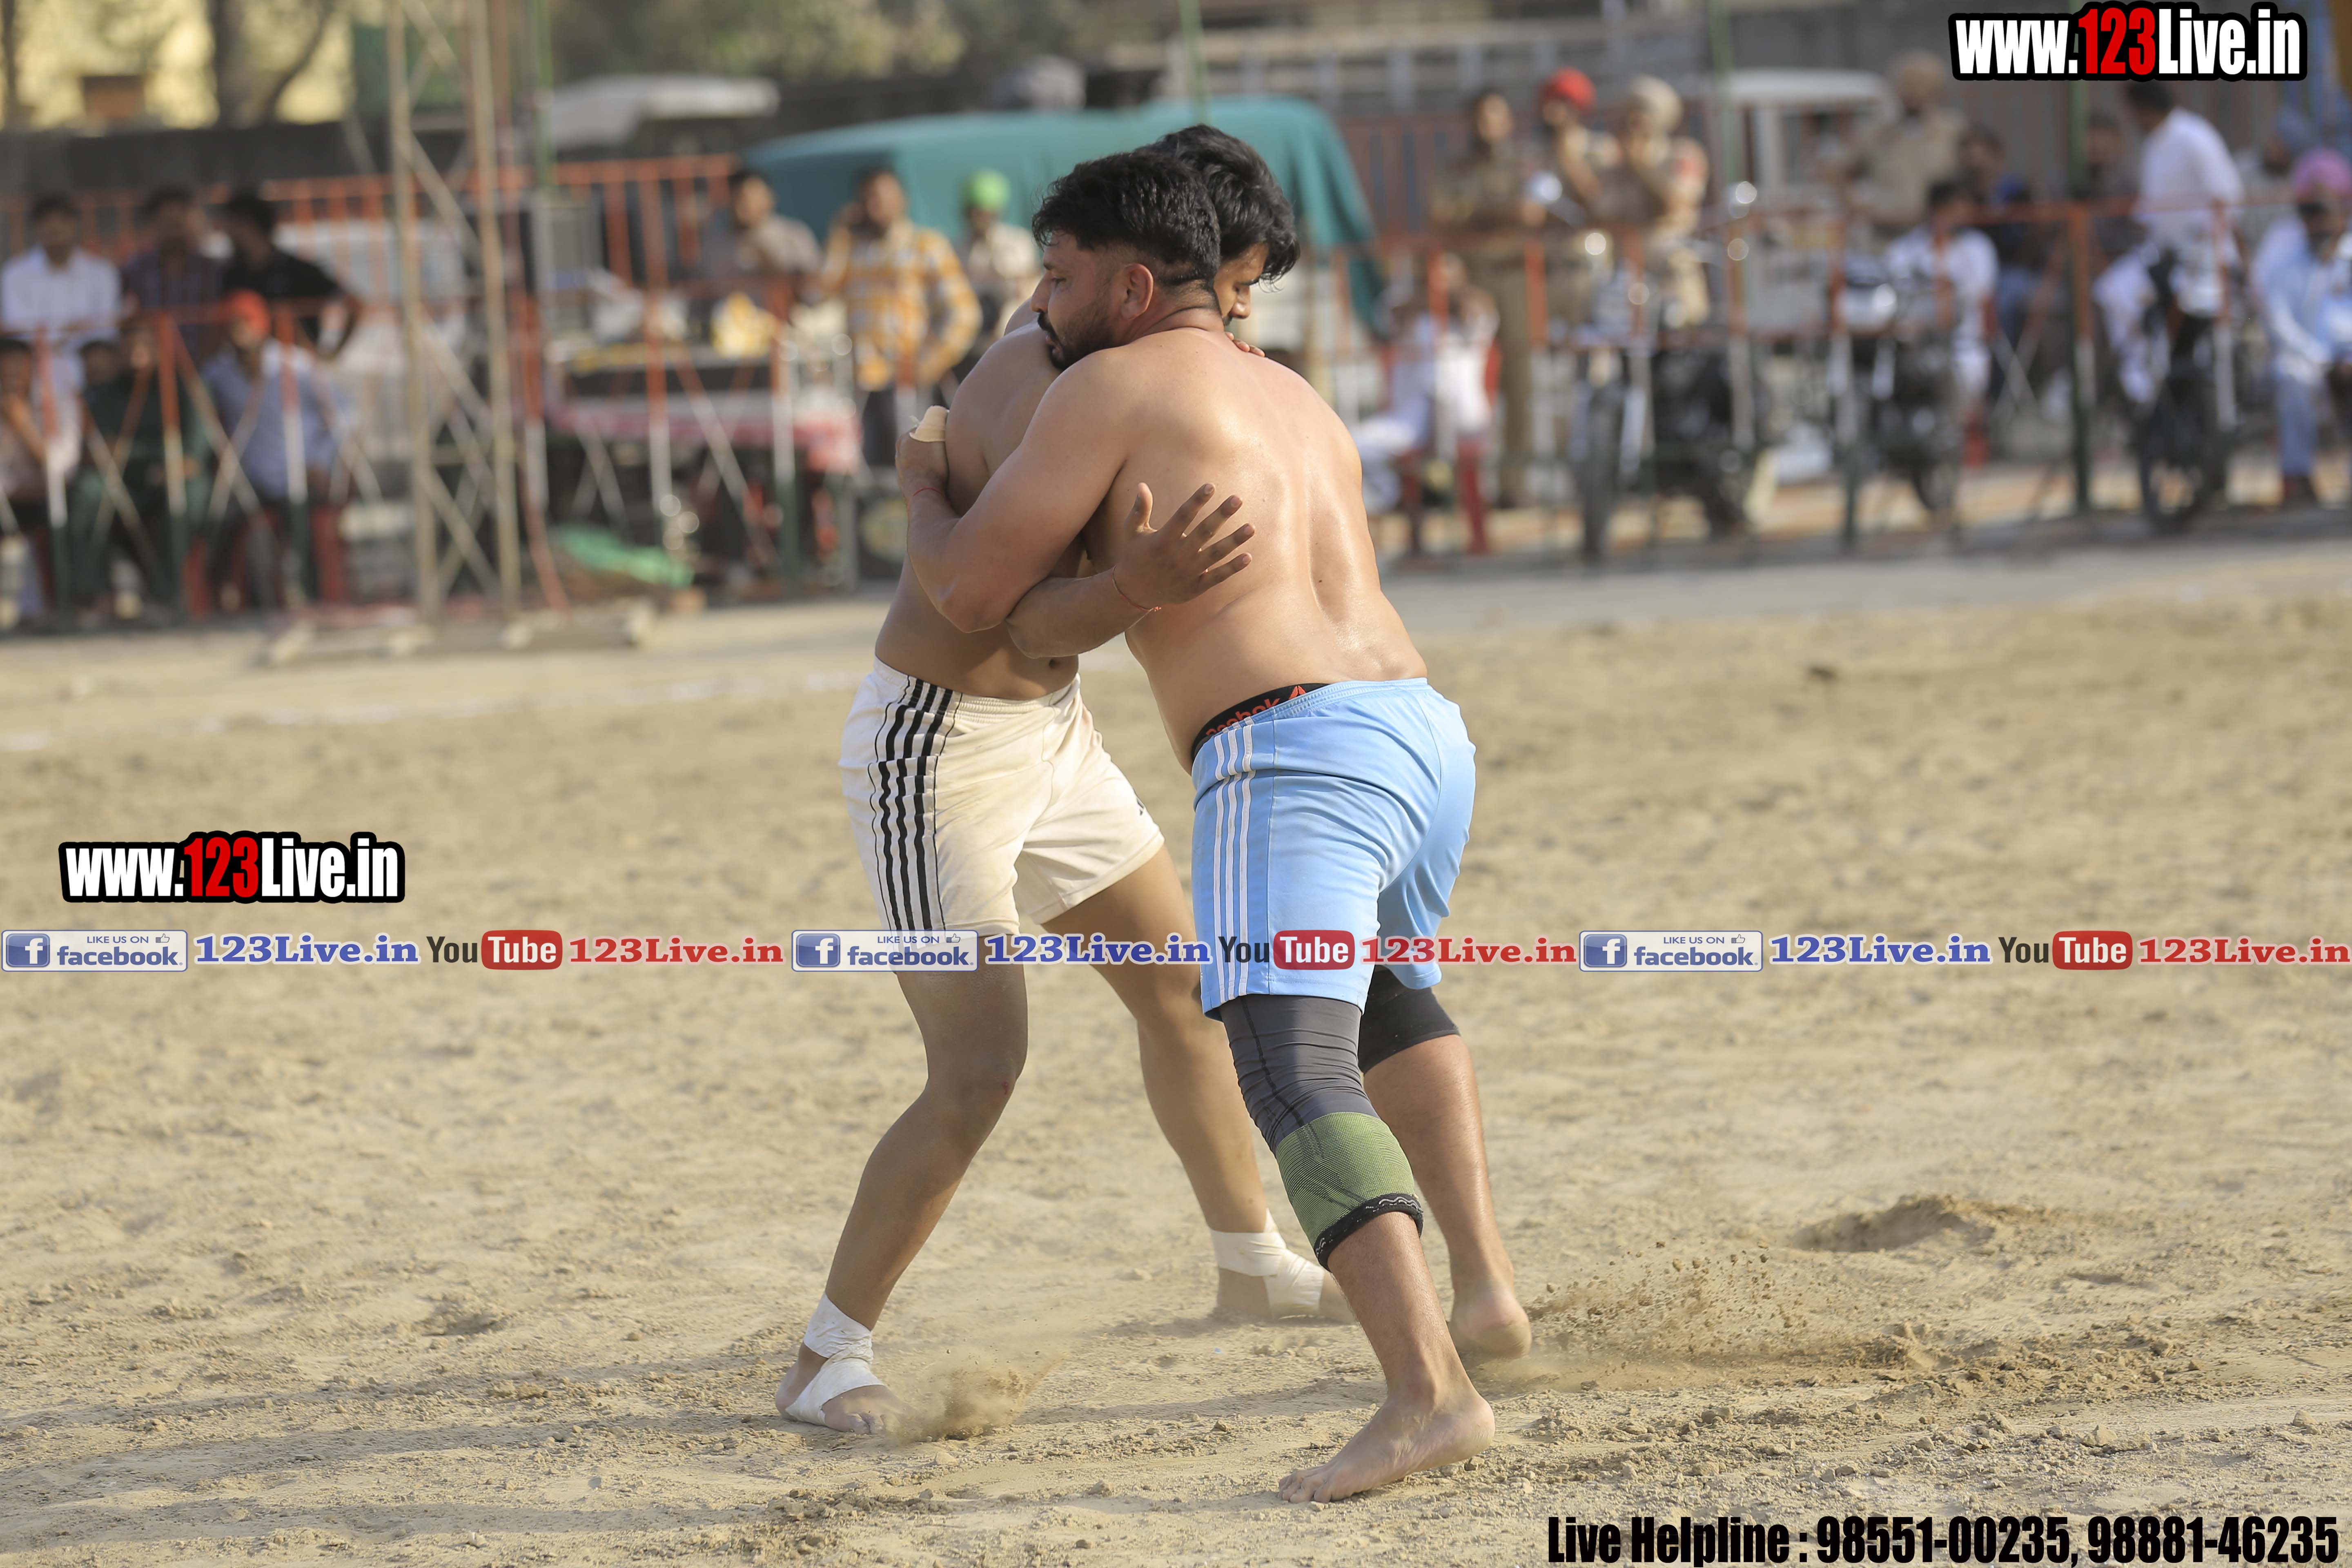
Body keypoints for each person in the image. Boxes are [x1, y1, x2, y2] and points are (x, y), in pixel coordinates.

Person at [899, 147, 1522, 1503]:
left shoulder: (1107, 387)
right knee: (1389, 999)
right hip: (1419, 726)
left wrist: (921, 487)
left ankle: (1428, 1393)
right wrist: (1119, 583)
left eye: (1060, 278)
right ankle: (1484, 1292)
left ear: (1131, 288)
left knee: (1291, 1065)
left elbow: (968, 598)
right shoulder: (1287, 388)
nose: (1040, 304)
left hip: (1288, 748)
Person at [773, 131, 1349, 1439]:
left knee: (1183, 990)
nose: (1239, 321)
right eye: (1233, 289)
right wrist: (1127, 583)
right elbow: (992, 606)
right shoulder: (1053, 376)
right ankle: (824, 1354)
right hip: (937, 748)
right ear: (1168, 278)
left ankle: (1250, 1262)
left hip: (1051, 733)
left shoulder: (1127, 371)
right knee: (980, 1067)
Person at [820, 167, 980, 474]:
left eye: (883, 197)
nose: (876, 206)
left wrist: (933, 359)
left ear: (902, 199)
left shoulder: (926, 245)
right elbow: (817, 294)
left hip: (909, 380)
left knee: (913, 470)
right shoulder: (852, 250)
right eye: (868, 199)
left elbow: (964, 313)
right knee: (866, 476)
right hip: (860, 383)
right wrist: (838, 236)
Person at [2093, 81, 2243, 406]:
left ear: (2144, 109)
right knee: (2114, 290)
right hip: (2163, 255)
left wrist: (2199, 238)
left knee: (2181, 315)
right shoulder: (2153, 145)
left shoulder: (2195, 136)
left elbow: (2229, 197)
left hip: (2203, 257)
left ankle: (2169, 389)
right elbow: (2153, 209)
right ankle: (2140, 389)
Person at [1432, 88, 1543, 512]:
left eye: (1496, 117)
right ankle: (1465, 487)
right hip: (1473, 281)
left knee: (1519, 381)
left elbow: (1533, 213)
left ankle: (1515, 483)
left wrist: (1478, 215)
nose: (1488, 126)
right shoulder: (1456, 170)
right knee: (1465, 384)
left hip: (1516, 277)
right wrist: (1502, 213)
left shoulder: (1525, 164)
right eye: (1481, 117)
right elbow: (1444, 217)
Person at [201, 290, 345, 608]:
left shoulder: (296, 366)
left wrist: (321, 461)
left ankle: (317, 598)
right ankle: (218, 600)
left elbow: (343, 414)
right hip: (249, 479)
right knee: (218, 522)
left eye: (248, 322)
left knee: (305, 529)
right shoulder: (218, 374)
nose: (242, 330)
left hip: (300, 472)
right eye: (234, 323)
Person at [66, 316, 212, 615]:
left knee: (190, 494)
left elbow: (193, 456)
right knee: (87, 491)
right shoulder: (108, 392)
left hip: (171, 481)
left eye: (145, 343)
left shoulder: (186, 385)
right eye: (130, 344)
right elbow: (102, 452)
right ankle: (92, 595)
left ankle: (166, 593)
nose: (137, 353)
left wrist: (138, 455)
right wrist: (147, 460)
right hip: (124, 482)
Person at [1351, 255, 1497, 554]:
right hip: (1412, 418)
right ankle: (1393, 502)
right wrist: (1425, 302)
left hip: (1461, 417)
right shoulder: (1406, 307)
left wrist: (1445, 301)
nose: (1438, 283)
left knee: (1469, 467)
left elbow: (1479, 318)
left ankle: (1478, 539)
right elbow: (1387, 317)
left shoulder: (1473, 307)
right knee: (1356, 444)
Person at [1562, 76, 1711, 332]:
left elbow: (1673, 207)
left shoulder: (1681, 155)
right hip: (1622, 280)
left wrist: (1638, 165)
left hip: (1667, 271)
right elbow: (1596, 214)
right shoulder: (1611, 165)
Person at [2252, 151, 2352, 508]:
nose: (2318, 222)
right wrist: (2320, 359)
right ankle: (2298, 477)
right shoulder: (2286, 263)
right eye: (2309, 213)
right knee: (2290, 376)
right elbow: (2279, 323)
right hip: (2308, 363)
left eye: (2325, 211)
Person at [1886, 179, 2000, 412]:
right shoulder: (1904, 250)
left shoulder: (1978, 248)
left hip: (1964, 344)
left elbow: (1980, 296)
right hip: (1915, 345)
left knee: (1966, 398)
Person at [1833, 51, 1967, 241]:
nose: (1911, 90)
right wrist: (1854, 204)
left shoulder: (1954, 131)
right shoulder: (1877, 132)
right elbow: (1839, 170)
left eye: (1919, 83)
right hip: (1886, 239)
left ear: (1937, 89)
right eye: (1905, 83)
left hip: (1938, 240)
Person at [2, 194, 121, 398]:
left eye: (62, 219)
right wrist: (70, 331)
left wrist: (57, 338)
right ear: (35, 228)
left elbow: (105, 329)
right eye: (46, 221)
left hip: (87, 361)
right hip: (34, 361)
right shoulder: (14, 274)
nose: (54, 227)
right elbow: (19, 329)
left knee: (101, 360)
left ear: (75, 224)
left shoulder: (101, 272)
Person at [219, 190, 354, 361]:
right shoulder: (232, 275)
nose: (227, 232)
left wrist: (332, 354)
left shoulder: (298, 270)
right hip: (246, 370)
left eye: (231, 224)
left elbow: (354, 304)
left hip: (294, 368)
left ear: (249, 225)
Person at [1532, 68, 1607, 334]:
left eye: (1560, 103)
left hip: (1587, 265)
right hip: (1549, 269)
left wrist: (1568, 158)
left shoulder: (1600, 149)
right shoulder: (1536, 156)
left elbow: (1598, 203)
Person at [117, 186, 227, 363]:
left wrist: (201, 363)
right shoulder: (135, 270)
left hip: (207, 364)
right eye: (168, 223)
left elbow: (220, 324)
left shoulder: (212, 270)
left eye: (179, 223)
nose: (175, 231)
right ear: (153, 225)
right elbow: (128, 319)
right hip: (153, 365)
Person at [951, 169, 1042, 377]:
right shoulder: (957, 248)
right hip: (969, 341)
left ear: (996, 212)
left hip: (1009, 333)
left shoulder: (1016, 242)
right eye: (972, 212)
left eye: (983, 213)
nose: (977, 219)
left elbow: (1024, 287)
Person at [698, 169, 822, 309]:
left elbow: (813, 292)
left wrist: (772, 267)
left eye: (755, 198)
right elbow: (704, 289)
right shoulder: (715, 241)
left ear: (770, 198)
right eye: (742, 198)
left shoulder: (794, 236)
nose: (748, 205)